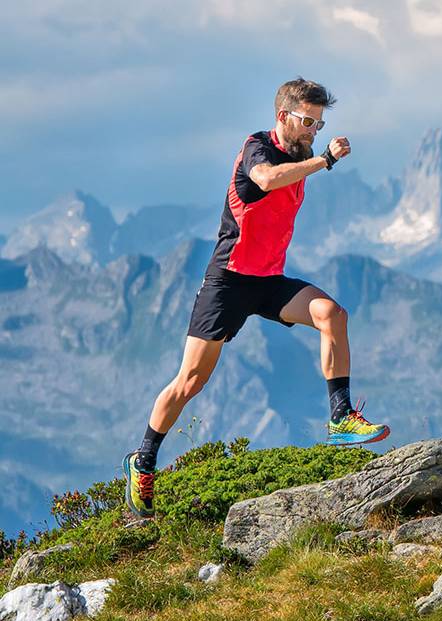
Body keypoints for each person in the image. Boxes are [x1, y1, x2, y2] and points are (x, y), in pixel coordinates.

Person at [123, 77, 389, 519]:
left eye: (319, 125)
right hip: (228, 282)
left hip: (267, 281)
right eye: (307, 122)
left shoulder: (301, 155)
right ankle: (144, 460)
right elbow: (264, 181)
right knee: (191, 381)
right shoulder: (258, 149)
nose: (313, 131)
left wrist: (316, 156)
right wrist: (324, 160)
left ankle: (341, 417)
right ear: (283, 117)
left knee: (332, 314)